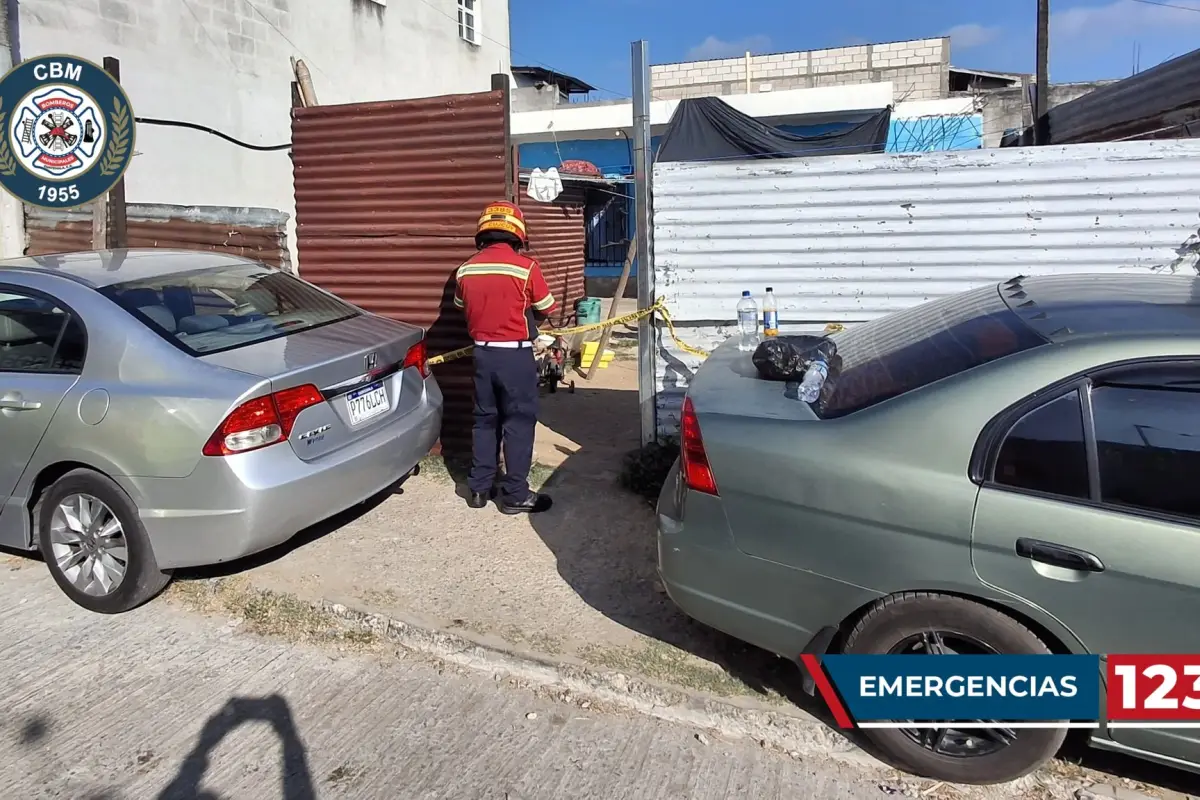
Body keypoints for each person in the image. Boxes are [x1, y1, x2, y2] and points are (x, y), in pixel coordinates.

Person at [453, 200, 557, 514]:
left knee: (484, 421)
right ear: (517, 234)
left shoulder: (466, 268)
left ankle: (479, 490)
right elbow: (547, 308)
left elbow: (461, 306)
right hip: (515, 358)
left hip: (482, 355)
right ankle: (515, 495)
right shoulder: (526, 267)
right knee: (518, 423)